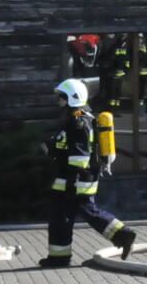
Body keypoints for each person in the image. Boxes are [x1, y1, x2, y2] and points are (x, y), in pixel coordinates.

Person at [42, 78, 138, 267]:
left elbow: (79, 156)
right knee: (63, 216)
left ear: (72, 98)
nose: (58, 101)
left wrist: (71, 181)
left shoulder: (78, 121)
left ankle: (123, 235)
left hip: (75, 180)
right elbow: (66, 145)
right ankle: (59, 257)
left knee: (85, 212)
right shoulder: (76, 119)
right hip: (74, 179)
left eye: (61, 97)